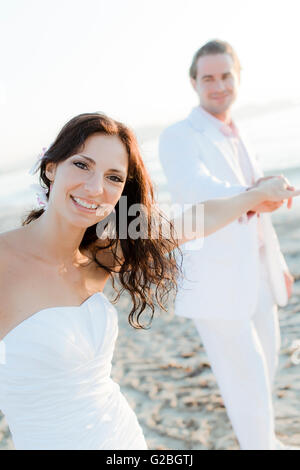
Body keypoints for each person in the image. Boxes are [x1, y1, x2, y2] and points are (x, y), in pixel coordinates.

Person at [0, 112, 298, 450]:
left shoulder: (101, 256)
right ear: (51, 167)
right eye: (82, 165)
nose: (96, 188)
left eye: (113, 177)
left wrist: (255, 195)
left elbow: (195, 220)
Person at [159, 39, 298, 450]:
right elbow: (197, 191)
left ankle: (264, 440)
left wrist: (278, 266)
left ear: (237, 79)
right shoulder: (179, 136)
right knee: (246, 377)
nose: (218, 85)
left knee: (264, 370)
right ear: (193, 82)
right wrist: (257, 193)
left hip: (258, 270)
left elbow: (255, 209)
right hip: (217, 279)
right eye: (208, 78)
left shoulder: (240, 133)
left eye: (225, 76)